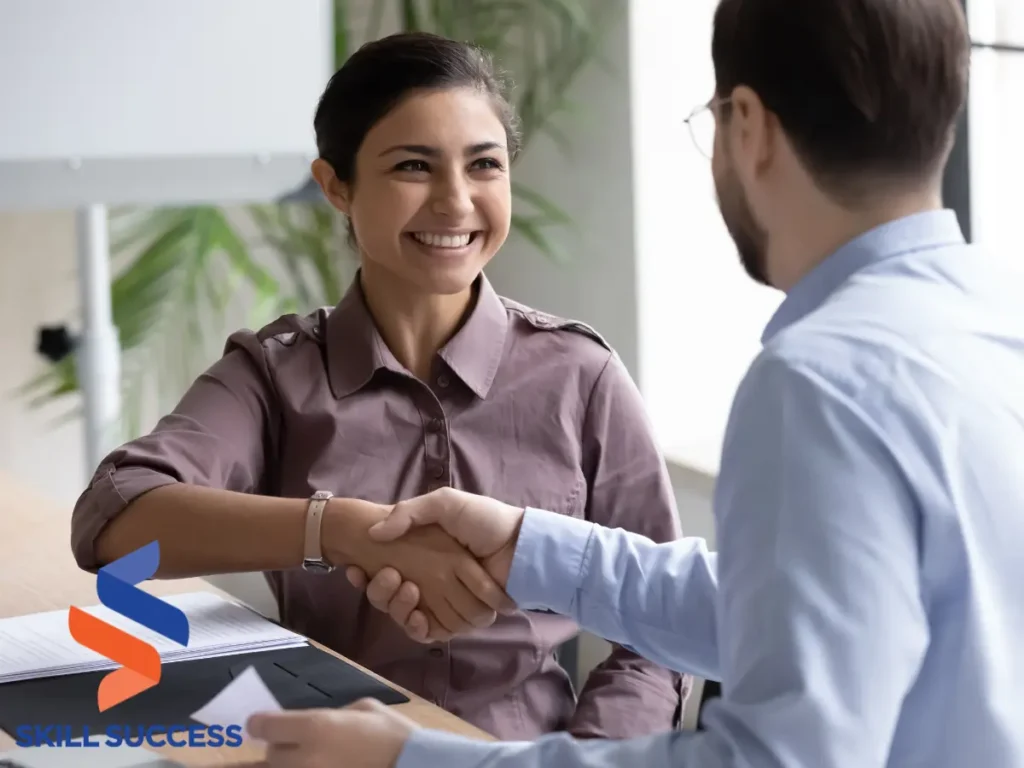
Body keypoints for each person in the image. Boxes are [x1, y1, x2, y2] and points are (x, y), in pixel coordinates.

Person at [244, 0, 1024, 766]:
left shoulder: (820, 382)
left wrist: (416, 762)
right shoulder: (993, 321)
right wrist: (528, 547)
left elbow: (776, 757)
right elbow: (799, 611)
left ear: (746, 126)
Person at [70, 31, 688, 740]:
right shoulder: (276, 374)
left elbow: (660, 631)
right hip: (333, 750)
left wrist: (584, 763)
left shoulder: (582, 376)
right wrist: (342, 531)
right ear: (337, 186)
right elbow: (114, 520)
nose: (456, 202)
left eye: (484, 165)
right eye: (413, 167)